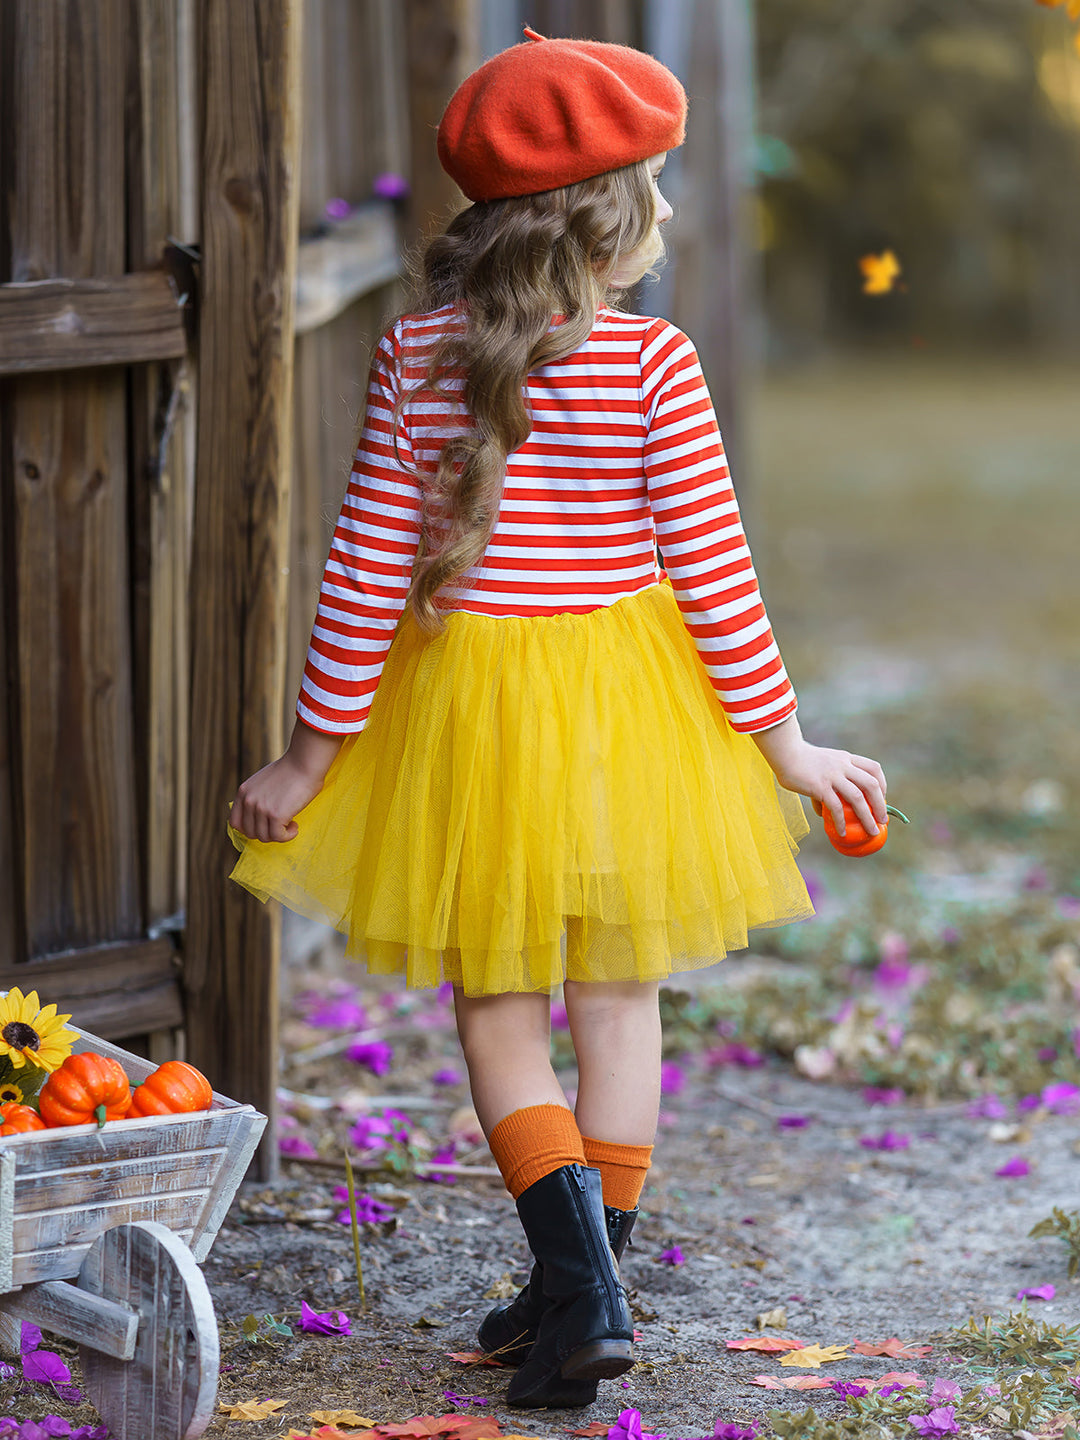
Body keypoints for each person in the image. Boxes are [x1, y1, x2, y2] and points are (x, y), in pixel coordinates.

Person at [229, 29, 888, 1410]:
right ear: (621, 211)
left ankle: (575, 1290)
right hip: (631, 715)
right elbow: (719, 587)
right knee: (621, 998)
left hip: (471, 709)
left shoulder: (416, 356)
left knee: (501, 1003)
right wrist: (788, 752)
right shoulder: (657, 366)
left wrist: (310, 756)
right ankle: (587, 1286)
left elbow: (361, 570)